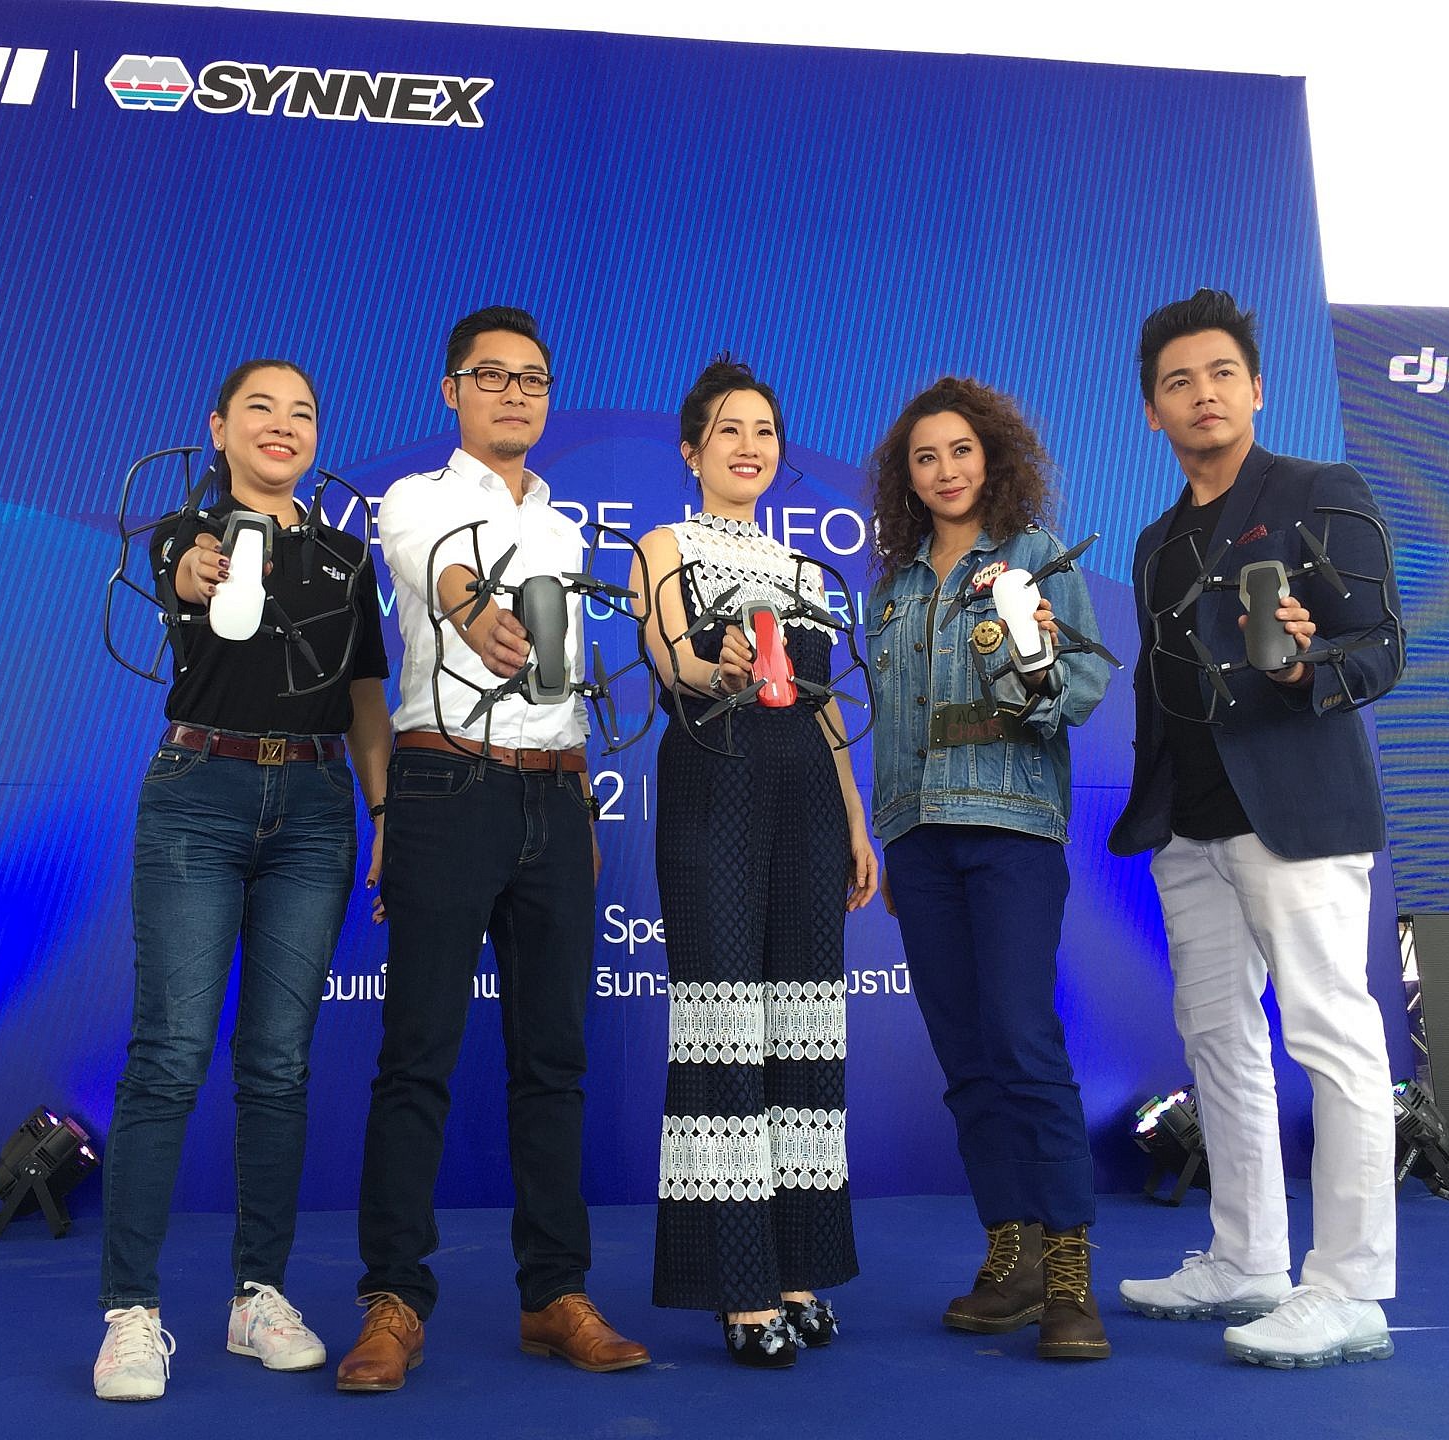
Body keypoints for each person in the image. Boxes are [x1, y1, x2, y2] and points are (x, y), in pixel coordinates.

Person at [335, 306, 650, 1393]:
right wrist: (477, 615)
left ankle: (554, 1294)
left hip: (556, 794)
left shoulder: (564, 528)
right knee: (416, 1052)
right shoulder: (415, 499)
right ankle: (392, 1299)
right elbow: (442, 574)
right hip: (444, 785)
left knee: (552, 1061)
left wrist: (584, 810)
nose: (515, 394)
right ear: (452, 390)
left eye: (533, 379)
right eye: (492, 375)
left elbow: (563, 683)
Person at [1111, 289, 1405, 1368]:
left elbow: (1381, 644)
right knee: (1218, 1042)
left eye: (1222, 374)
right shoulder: (1154, 541)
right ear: (1152, 410)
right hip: (1188, 826)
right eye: (1179, 381)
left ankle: (1351, 1288)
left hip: (1297, 813)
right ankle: (1247, 1259)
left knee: (1331, 1034)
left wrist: (1304, 661)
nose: (1204, 395)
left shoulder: (1318, 491)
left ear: (1257, 388)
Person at [93, 359, 393, 1402]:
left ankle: (257, 1295)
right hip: (198, 793)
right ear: (218, 428)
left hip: (315, 805)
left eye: (302, 412)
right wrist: (201, 568)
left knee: (276, 1064)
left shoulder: (347, 557)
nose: (283, 424)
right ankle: (131, 1312)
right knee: (170, 1055)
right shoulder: (189, 534)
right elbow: (187, 575)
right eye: (260, 408)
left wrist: (385, 814)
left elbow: (367, 694)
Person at [632, 358, 875, 1368]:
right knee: (726, 1029)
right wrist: (715, 664)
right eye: (728, 430)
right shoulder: (664, 546)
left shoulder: (808, 573)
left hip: (806, 799)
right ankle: (739, 1285)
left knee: (804, 1029)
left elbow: (823, 709)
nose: (748, 446)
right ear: (693, 451)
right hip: (714, 779)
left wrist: (854, 819)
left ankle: (797, 1266)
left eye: (764, 430)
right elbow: (668, 656)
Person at [866, 376, 1113, 1361]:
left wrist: (1031, 654)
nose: (945, 471)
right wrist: (891, 830)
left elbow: (1080, 691)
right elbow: (891, 726)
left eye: (960, 451)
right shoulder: (894, 588)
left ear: (993, 456)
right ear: (906, 477)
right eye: (925, 457)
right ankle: (1009, 1256)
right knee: (965, 1053)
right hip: (919, 838)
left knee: (1021, 1040)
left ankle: (1068, 1269)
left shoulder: (1037, 557)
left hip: (1011, 828)